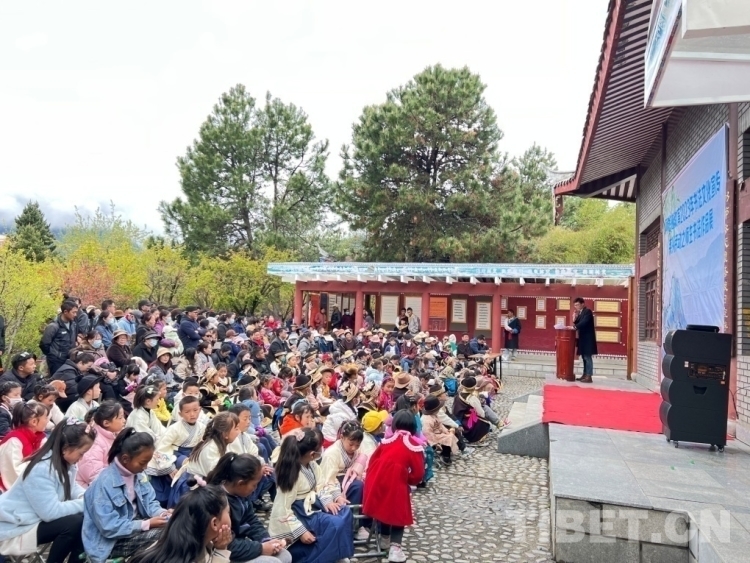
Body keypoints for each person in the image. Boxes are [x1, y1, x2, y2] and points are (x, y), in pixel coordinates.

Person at [0, 419, 94, 563]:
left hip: (33, 519)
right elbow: (51, 513)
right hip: (15, 526)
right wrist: (86, 502)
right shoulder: (41, 469)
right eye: (82, 453)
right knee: (75, 523)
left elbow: (71, 486)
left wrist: (86, 496)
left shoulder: (65, 462)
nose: (83, 458)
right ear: (65, 448)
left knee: (87, 518)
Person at [82, 428, 169, 563]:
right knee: (166, 535)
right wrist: (146, 524)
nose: (145, 467)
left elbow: (150, 502)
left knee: (175, 526)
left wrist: (163, 514)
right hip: (110, 543)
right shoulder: (103, 484)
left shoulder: (138, 474)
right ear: (125, 459)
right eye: (142, 463)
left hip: (134, 528)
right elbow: (109, 527)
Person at [269, 428, 354, 563]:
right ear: (312, 454)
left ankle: (336, 553)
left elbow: (321, 484)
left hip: (314, 504)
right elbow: (282, 508)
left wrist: (328, 501)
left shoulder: (312, 464)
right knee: (335, 523)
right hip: (301, 513)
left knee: (344, 511)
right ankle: (324, 557)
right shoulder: (291, 473)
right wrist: (301, 531)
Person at [363, 410, 425, 563]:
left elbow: (373, 460)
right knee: (398, 513)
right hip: (397, 483)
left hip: (376, 478)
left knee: (384, 508)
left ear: (395, 424)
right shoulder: (413, 446)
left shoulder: (386, 441)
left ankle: (384, 538)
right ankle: (395, 549)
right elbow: (418, 473)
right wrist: (408, 480)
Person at [128, 483, 233, 563]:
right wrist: (221, 552)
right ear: (214, 523)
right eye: (228, 512)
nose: (230, 516)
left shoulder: (173, 544)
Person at [319, 420, 370, 541]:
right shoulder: (331, 453)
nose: (354, 448)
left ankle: (366, 522)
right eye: (351, 444)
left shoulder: (357, 450)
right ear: (342, 437)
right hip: (334, 482)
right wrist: (337, 496)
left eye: (357, 445)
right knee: (358, 486)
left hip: (351, 479)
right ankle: (355, 526)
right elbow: (327, 479)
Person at [77, 400, 126, 487]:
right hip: (91, 489)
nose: (124, 421)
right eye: (120, 418)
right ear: (106, 423)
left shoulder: (114, 435)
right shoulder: (94, 443)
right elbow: (94, 475)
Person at [0, 402, 49, 490]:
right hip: (11, 489)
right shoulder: (14, 441)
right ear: (34, 422)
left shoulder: (40, 437)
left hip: (34, 480)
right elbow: (13, 471)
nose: (48, 420)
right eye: (45, 417)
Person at [157, 395, 206, 469]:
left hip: (193, 452)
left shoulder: (202, 427)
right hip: (177, 453)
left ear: (200, 410)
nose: (192, 414)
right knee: (188, 465)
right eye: (187, 412)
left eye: (195, 410)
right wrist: (168, 466)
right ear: (180, 414)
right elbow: (163, 447)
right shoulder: (174, 428)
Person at [40, 299, 80, 377]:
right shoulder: (53, 326)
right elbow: (44, 344)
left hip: (69, 359)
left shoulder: (73, 325)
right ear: (65, 312)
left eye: (76, 312)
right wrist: (53, 355)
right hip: (56, 361)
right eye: (73, 312)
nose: (75, 315)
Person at [421, 396, 460, 465]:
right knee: (448, 438)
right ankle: (445, 456)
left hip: (438, 433)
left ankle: (446, 452)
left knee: (450, 434)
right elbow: (427, 434)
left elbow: (440, 425)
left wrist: (447, 431)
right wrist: (435, 443)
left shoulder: (434, 415)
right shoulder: (426, 420)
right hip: (432, 437)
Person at [452, 377, 492, 443]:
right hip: (469, 425)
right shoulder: (472, 398)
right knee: (484, 422)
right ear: (473, 388)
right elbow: (481, 414)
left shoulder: (457, 396)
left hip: (459, 421)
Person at [321, 381, 360, 448]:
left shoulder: (347, 406)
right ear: (354, 400)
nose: (360, 398)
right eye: (359, 397)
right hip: (330, 441)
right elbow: (343, 434)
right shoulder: (341, 416)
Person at [573, 297, 597, 383]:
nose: (576, 307)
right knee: (584, 357)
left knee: (587, 357)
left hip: (588, 339)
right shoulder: (581, 312)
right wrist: (574, 318)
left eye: (577, 305)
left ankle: (589, 376)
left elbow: (584, 322)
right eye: (575, 305)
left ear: (583, 304)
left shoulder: (587, 311)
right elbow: (577, 322)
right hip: (583, 339)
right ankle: (585, 374)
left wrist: (575, 327)